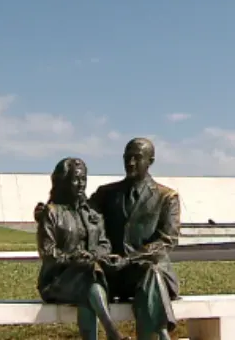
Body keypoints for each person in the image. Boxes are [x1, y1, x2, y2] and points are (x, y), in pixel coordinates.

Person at [87, 138, 181, 340]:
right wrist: (49, 209)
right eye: (127, 157)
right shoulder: (106, 194)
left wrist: (129, 259)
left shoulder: (167, 197)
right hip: (115, 276)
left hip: (148, 275)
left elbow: (167, 240)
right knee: (91, 273)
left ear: (150, 160)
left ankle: (159, 334)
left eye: (137, 158)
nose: (130, 163)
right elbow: (80, 214)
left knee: (151, 273)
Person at [35, 157, 130, 340]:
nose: (81, 185)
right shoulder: (52, 213)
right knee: (89, 278)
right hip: (58, 281)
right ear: (63, 182)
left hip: (90, 278)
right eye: (75, 179)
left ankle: (111, 333)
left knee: (88, 289)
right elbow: (47, 252)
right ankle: (112, 333)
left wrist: (93, 255)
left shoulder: (92, 212)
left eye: (84, 179)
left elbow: (105, 244)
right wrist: (73, 257)